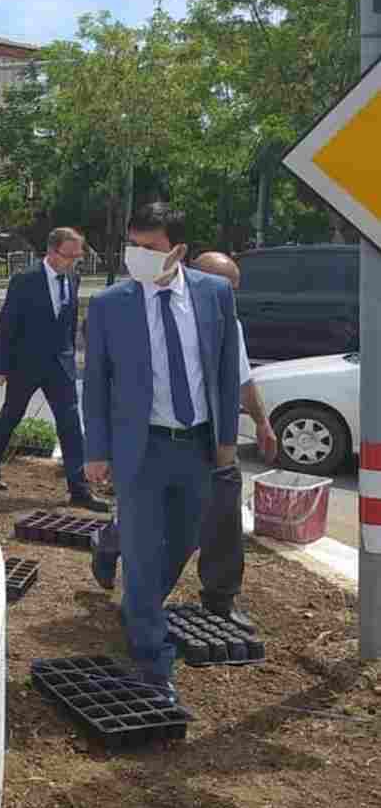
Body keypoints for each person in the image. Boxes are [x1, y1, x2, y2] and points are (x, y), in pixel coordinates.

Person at [82, 203, 241, 703]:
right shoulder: (110, 305)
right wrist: (95, 451)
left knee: (186, 540)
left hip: (195, 445)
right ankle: (153, 657)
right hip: (141, 447)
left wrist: (226, 444)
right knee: (147, 554)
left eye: (150, 248)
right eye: (134, 247)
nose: (138, 257)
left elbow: (225, 372)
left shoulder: (214, 295)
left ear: (178, 251)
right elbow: (96, 386)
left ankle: (131, 586)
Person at [91, 250, 278, 632]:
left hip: (214, 440)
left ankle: (219, 597)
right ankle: (112, 544)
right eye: (225, 287)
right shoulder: (147, 309)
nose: (228, 297)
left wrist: (262, 423)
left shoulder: (228, 321)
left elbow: (241, 381)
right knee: (150, 516)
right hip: (158, 441)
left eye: (234, 290)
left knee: (223, 515)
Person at [0, 227, 108, 511]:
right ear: (51, 251)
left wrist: (72, 357)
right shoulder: (25, 280)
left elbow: (70, 322)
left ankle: (79, 489)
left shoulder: (73, 278)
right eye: (69, 256)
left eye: (77, 256)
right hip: (26, 364)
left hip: (60, 366)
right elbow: (7, 325)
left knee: (71, 425)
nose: (73, 262)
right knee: (11, 415)